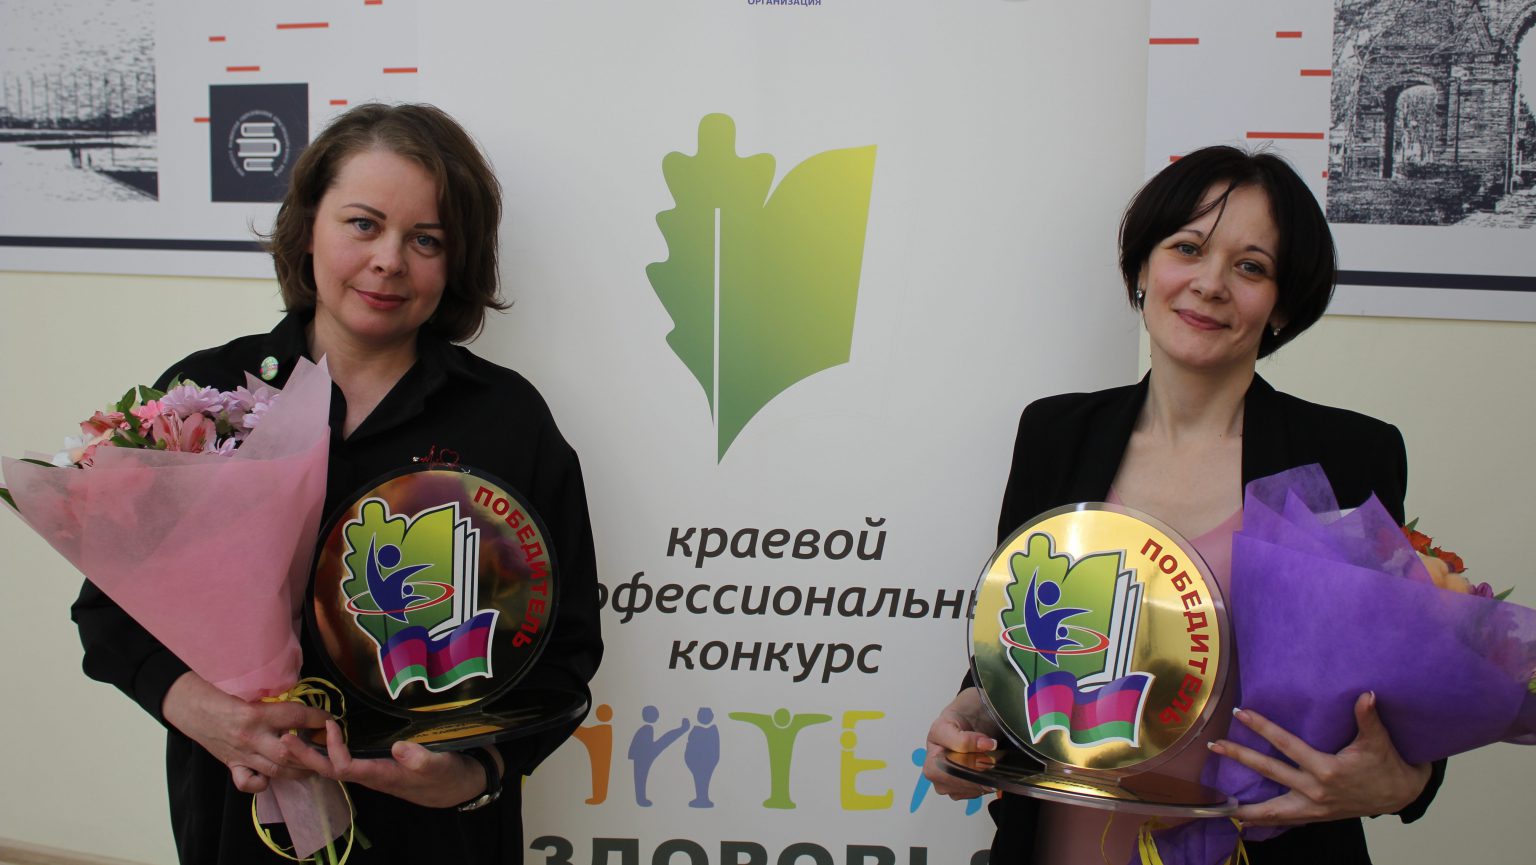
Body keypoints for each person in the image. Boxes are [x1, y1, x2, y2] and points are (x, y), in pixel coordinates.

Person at [71, 103, 603, 863]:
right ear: (308, 226)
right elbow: (108, 610)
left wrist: (475, 773)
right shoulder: (203, 398)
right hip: (242, 817)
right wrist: (206, 714)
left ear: (457, 261)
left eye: (427, 239)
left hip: (436, 835)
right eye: (363, 224)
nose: (389, 260)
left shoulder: (508, 422)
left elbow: (565, 648)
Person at [921, 145, 1445, 864]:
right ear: (1143, 268)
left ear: (1283, 303)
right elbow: (1016, 647)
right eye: (1188, 248)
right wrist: (972, 716)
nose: (1210, 284)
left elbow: (1404, 687)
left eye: (1250, 267)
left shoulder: (1349, 453)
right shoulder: (1055, 433)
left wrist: (1407, 781)